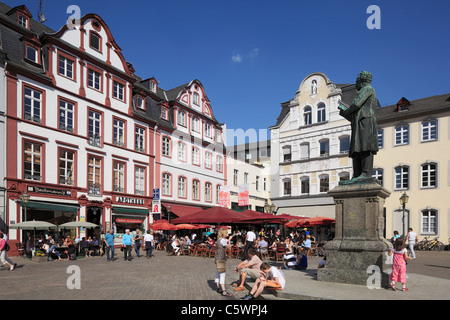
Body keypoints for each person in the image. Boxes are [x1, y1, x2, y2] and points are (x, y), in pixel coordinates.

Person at [338, 71, 379, 182]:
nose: (356, 84)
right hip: (359, 121)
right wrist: (344, 112)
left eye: (356, 82)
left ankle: (365, 173)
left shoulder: (367, 89)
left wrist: (346, 109)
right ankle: (356, 174)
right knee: (356, 148)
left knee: (365, 146)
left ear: (361, 81)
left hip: (365, 121)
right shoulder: (365, 90)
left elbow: (356, 103)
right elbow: (354, 113)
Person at [214, 227, 233, 297]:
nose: (227, 234)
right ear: (223, 233)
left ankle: (218, 288)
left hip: (217, 258)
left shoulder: (219, 239)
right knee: (222, 274)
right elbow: (229, 247)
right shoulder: (222, 240)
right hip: (221, 258)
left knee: (217, 273)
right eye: (226, 232)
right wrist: (229, 240)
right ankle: (224, 290)